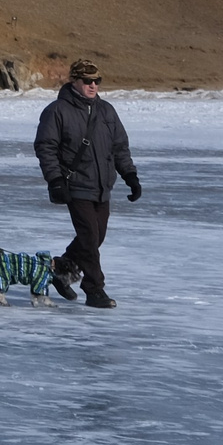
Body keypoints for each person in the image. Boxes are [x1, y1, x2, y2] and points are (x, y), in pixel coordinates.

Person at [33, 60, 140, 309]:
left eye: (97, 81)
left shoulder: (107, 111)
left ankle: (61, 268)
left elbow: (119, 147)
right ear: (74, 82)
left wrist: (130, 176)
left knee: (96, 236)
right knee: (90, 236)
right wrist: (56, 180)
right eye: (88, 81)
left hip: (102, 186)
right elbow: (45, 147)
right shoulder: (57, 111)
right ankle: (94, 289)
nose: (93, 86)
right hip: (76, 184)